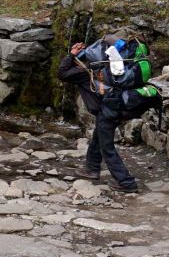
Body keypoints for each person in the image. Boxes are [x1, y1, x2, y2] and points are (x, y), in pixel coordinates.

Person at [57, 40, 140, 193]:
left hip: (108, 110)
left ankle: (126, 182)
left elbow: (62, 73)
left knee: (106, 146)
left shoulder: (85, 72)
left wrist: (71, 55)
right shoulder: (110, 68)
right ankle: (92, 168)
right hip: (118, 105)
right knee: (98, 136)